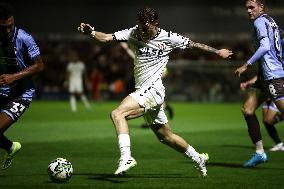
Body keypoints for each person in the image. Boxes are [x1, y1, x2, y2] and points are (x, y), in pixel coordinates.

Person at [78, 6, 232, 177]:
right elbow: (107, 37)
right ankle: (198, 158)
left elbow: (193, 44)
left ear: (155, 23)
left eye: (145, 27)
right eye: (140, 26)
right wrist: (91, 32)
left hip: (154, 90)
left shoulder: (169, 37)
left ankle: (126, 157)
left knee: (118, 114)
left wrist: (218, 51)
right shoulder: (133, 32)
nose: (142, 31)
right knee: (166, 137)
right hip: (143, 90)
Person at [235, 0, 284, 167]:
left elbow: (264, 46)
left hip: (273, 75)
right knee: (247, 110)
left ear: (261, 7)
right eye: (247, 8)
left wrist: (245, 64)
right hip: (264, 76)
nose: (248, 11)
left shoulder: (259, 21)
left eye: (252, 7)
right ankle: (260, 153)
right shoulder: (271, 21)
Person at [0, 3, 44, 170]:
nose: (7, 31)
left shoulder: (24, 38)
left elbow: (40, 66)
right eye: (3, 28)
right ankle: (11, 147)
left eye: (10, 26)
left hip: (21, 94)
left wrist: (14, 77)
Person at [240, 76, 284, 151]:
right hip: (264, 93)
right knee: (266, 121)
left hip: (275, 93)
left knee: (268, 120)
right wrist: (248, 82)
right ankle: (279, 144)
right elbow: (259, 75)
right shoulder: (263, 67)